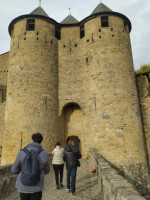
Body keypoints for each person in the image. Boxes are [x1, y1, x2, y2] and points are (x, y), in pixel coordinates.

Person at [11, 133, 50, 200]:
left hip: (23, 186)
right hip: (37, 187)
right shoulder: (44, 153)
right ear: (41, 141)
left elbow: (13, 170)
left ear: (32, 140)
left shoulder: (22, 152)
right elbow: (47, 170)